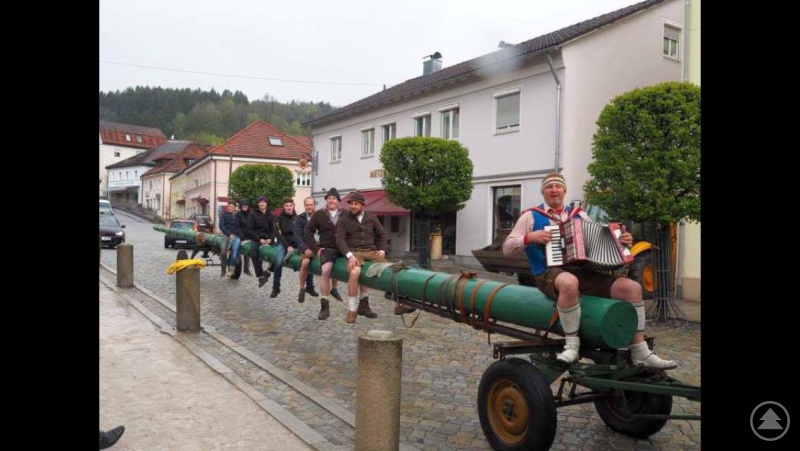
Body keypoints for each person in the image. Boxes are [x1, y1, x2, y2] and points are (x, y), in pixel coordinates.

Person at [502, 173, 676, 369]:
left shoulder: (579, 215)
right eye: (549, 187)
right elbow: (507, 248)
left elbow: (599, 239)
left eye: (558, 186)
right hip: (547, 272)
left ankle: (640, 351)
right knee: (569, 282)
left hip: (583, 272)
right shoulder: (531, 215)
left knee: (632, 288)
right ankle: (571, 345)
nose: (554, 190)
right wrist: (530, 237)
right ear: (543, 192)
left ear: (564, 190)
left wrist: (622, 241)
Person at [336, 190, 414, 323]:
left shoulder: (371, 217)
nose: (353, 206)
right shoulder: (343, 219)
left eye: (356, 204)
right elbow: (340, 240)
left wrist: (382, 249)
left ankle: (400, 303)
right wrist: (349, 256)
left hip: (371, 252)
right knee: (354, 273)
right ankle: (352, 309)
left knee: (391, 269)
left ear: (362, 205)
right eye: (351, 204)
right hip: (354, 252)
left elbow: (382, 234)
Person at [304, 188, 347, 320]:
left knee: (359, 267)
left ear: (338, 201)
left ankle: (362, 303)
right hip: (328, 248)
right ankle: (324, 306)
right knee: (325, 271)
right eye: (329, 198)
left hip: (344, 248)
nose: (331, 200)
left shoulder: (346, 214)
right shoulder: (319, 214)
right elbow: (308, 232)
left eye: (333, 198)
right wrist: (316, 249)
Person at [293, 196, 321, 303]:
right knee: (305, 262)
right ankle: (302, 289)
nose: (309, 207)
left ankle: (332, 290)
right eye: (307, 205)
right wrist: (304, 248)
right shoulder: (300, 218)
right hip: (305, 245)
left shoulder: (320, 216)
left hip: (319, 245)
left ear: (314, 205)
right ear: (304, 206)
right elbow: (297, 236)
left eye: (311, 205)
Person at [270, 197, 298, 298]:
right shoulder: (278, 219)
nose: (289, 207)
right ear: (284, 207)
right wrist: (288, 246)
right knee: (278, 263)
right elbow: (279, 234)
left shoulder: (297, 218)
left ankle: (309, 286)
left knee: (307, 258)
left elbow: (299, 233)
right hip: (283, 243)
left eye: (291, 205)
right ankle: (276, 287)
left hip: (295, 243)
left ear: (293, 206)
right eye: (287, 205)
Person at [248, 195, 274, 288]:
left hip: (269, 239)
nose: (262, 203)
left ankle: (268, 271)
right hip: (258, 238)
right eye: (260, 202)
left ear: (266, 203)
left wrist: (271, 239)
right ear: (258, 204)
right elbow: (250, 230)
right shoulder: (253, 214)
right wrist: (259, 239)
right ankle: (260, 275)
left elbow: (274, 229)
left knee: (279, 252)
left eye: (264, 202)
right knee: (253, 252)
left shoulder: (271, 215)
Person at [218, 200, 239, 277]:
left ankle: (232, 267)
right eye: (229, 206)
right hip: (226, 235)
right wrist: (229, 234)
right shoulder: (224, 215)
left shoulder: (238, 215)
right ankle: (223, 269)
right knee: (223, 251)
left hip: (236, 235)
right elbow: (221, 226)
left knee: (235, 250)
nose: (230, 208)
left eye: (231, 206)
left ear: (235, 207)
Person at [235, 198, 254, 276]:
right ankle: (239, 265)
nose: (244, 206)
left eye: (245, 205)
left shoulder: (252, 214)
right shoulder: (238, 215)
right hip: (241, 236)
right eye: (243, 205)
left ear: (248, 205)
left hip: (250, 236)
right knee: (242, 248)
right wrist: (242, 237)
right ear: (241, 206)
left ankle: (248, 268)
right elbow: (236, 227)